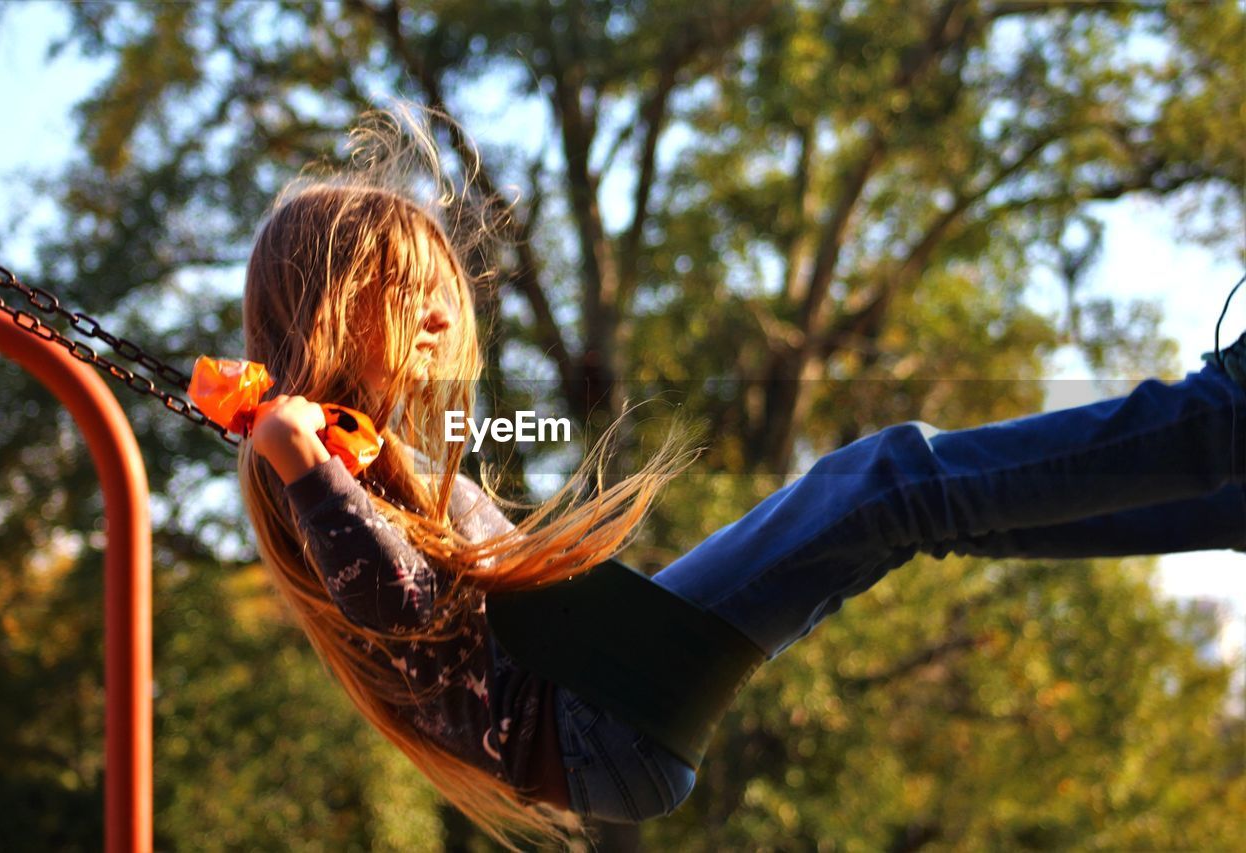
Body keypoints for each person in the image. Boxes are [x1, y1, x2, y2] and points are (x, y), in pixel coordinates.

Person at [238, 113, 1246, 847]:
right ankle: (1216, 426)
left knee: (908, 504)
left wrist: (325, 459)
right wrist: (305, 471)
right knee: (888, 479)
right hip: (598, 714)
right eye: (399, 294)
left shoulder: (352, 451)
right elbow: (403, 614)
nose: (435, 318)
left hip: (604, 700)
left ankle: (1220, 493)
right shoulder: (307, 473)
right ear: (325, 307)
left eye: (435, 297)